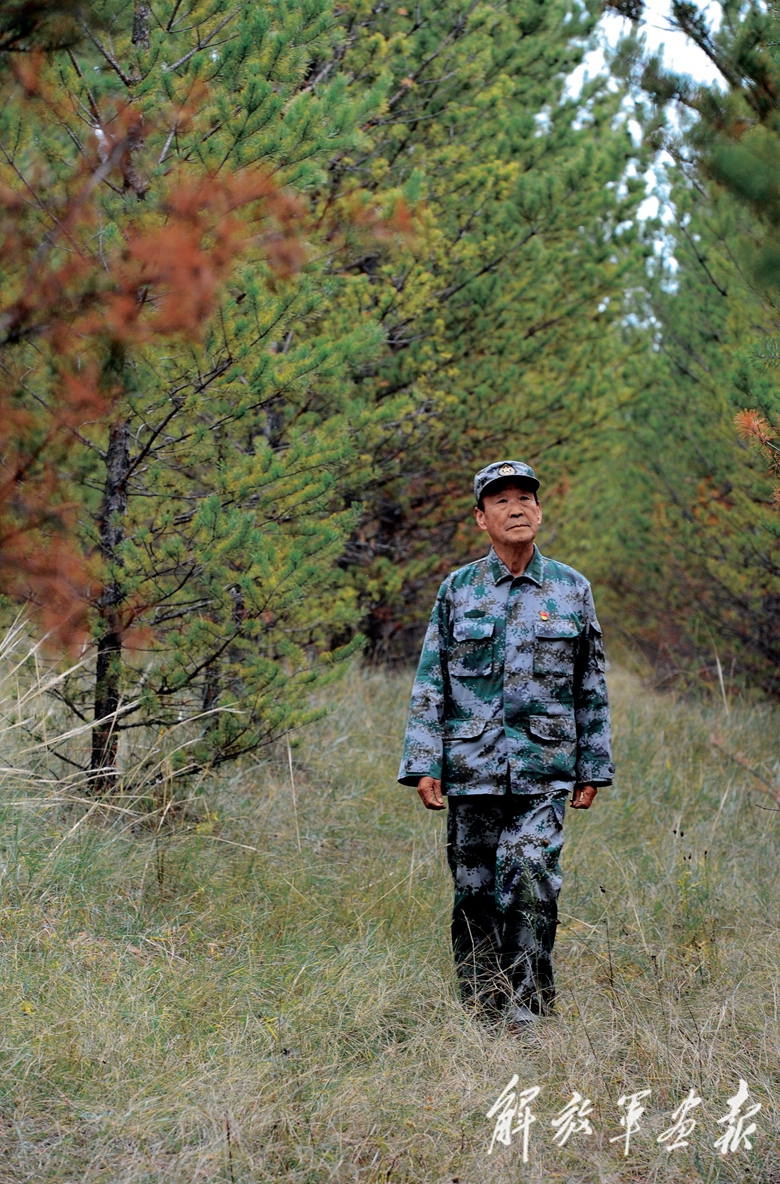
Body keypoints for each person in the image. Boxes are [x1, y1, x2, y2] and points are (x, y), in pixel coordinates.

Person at [398, 460, 614, 1028]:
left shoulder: (571, 588)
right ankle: (482, 1013)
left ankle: (530, 1014)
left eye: (525, 498)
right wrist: (423, 762)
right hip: (471, 769)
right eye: (501, 501)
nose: (516, 508)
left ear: (539, 511)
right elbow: (431, 680)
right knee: (475, 894)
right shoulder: (458, 589)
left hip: (545, 768)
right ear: (481, 518)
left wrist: (593, 766)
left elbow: (590, 683)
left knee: (530, 877)